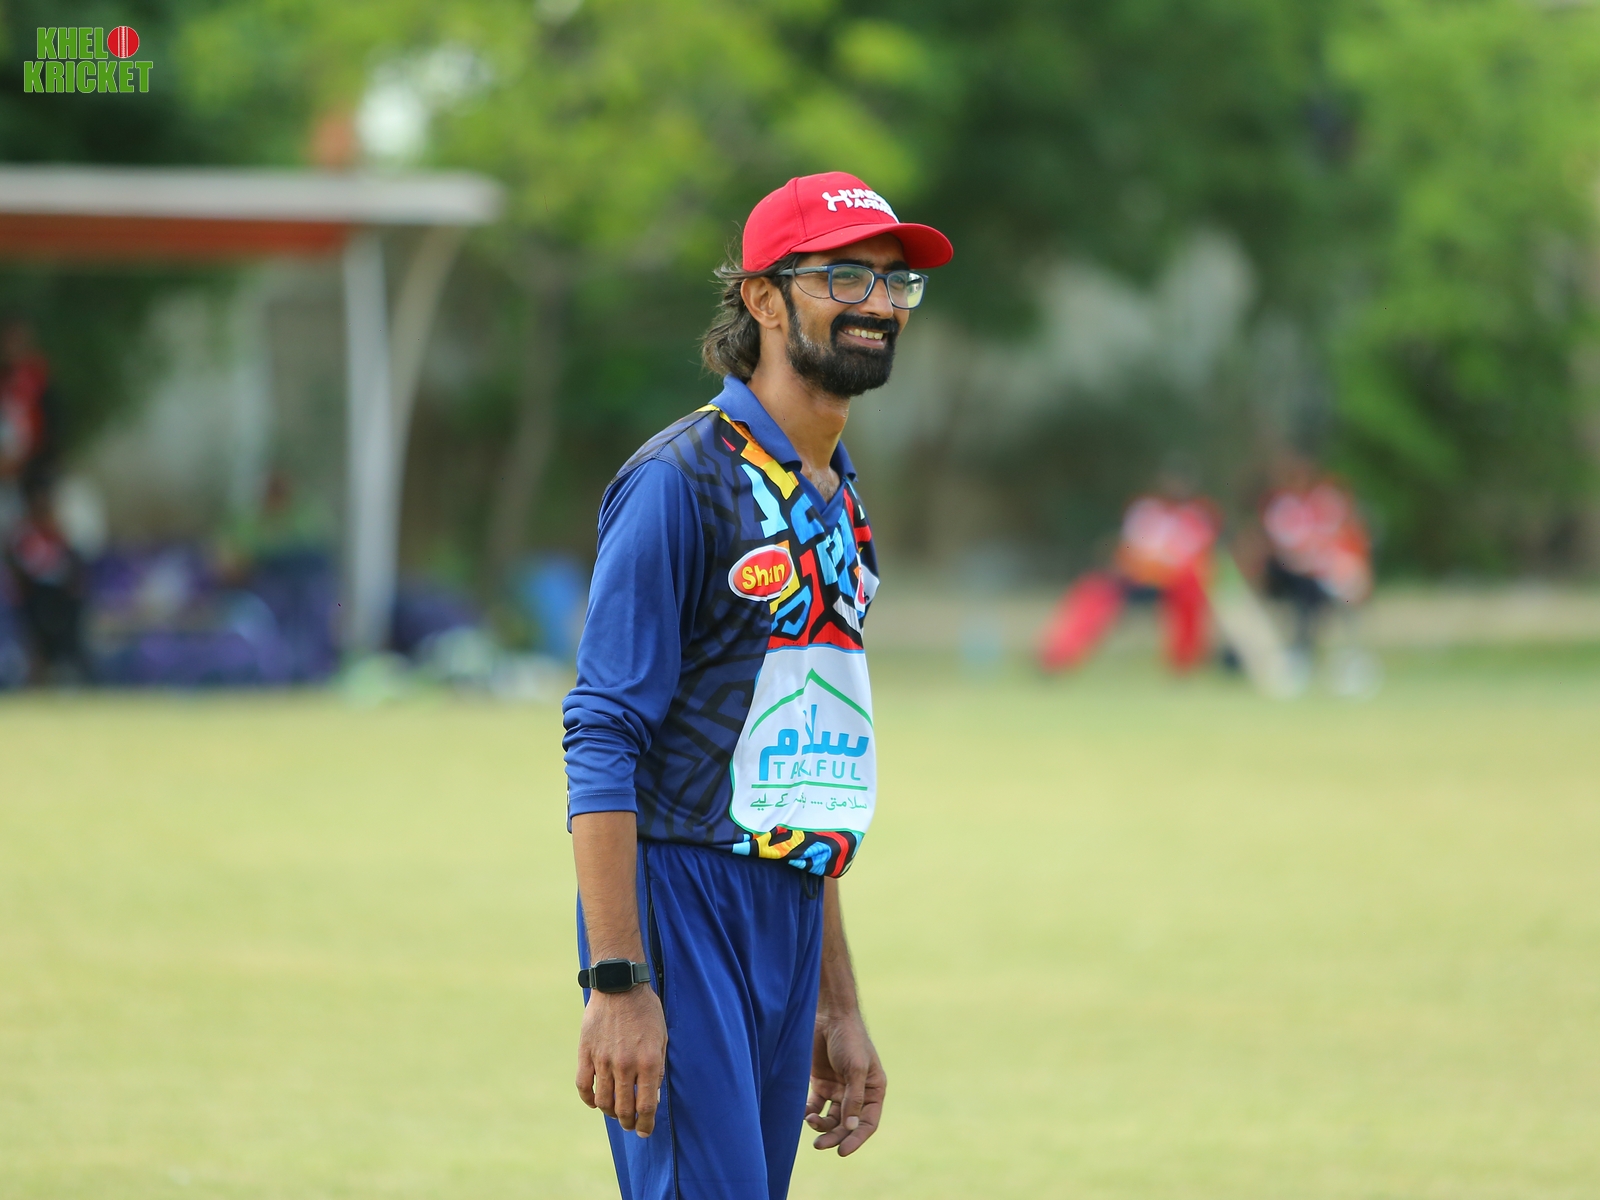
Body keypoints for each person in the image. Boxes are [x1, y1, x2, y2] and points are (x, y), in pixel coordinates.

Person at [562, 171, 951, 1200]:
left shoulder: (840, 502)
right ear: (763, 299)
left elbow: (802, 771)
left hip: (788, 908)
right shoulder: (679, 480)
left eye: (893, 282)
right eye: (842, 277)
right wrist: (618, 980)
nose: (876, 303)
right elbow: (601, 734)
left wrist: (836, 999)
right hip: (678, 899)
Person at [1038, 477, 1221, 673]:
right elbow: (1131, 549)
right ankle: (1058, 654)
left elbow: (1195, 555)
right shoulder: (1145, 510)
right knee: (1096, 589)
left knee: (1192, 588)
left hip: (1175, 582)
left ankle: (1185, 661)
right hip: (1136, 578)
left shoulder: (1197, 516)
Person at [1259, 452, 1371, 656]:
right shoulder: (1284, 507)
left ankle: (1350, 650)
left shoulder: (1323, 502)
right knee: (1307, 591)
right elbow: (1286, 550)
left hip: (1324, 568)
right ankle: (1302, 648)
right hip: (1293, 571)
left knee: (1348, 583)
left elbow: (1338, 538)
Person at [4, 467, 87, 683]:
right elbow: (17, 565)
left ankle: (67, 679)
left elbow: (70, 561)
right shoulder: (23, 531)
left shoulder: (56, 530)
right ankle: (37, 681)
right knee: (36, 645)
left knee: (65, 644)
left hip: (59, 595)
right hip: (34, 595)